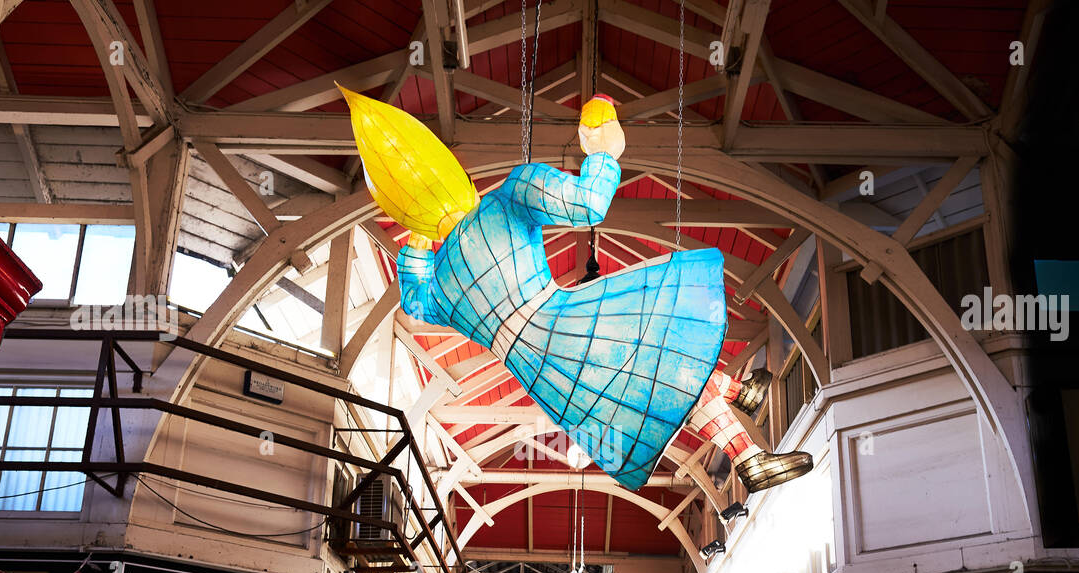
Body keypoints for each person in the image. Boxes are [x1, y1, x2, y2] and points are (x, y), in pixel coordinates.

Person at [342, 87, 813, 496]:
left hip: (537, 371)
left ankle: (743, 423)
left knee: (657, 375)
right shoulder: (510, 194)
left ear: (404, 212)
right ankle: (744, 432)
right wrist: (604, 148)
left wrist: (417, 252)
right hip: (559, 319)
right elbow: (589, 205)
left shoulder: (441, 283)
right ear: (450, 167)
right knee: (662, 355)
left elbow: (414, 303)